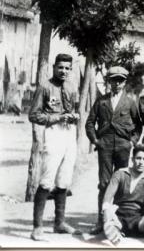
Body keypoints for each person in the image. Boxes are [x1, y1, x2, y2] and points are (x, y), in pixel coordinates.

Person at [28, 53, 82, 241]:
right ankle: (37, 227)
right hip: (53, 133)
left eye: (67, 68)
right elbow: (33, 115)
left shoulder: (72, 86)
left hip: (69, 134)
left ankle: (59, 223)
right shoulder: (45, 87)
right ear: (54, 67)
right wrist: (57, 117)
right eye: (61, 67)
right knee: (47, 179)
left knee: (64, 180)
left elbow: (74, 110)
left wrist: (74, 116)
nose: (64, 71)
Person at [86, 66, 143, 234]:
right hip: (105, 145)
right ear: (108, 82)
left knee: (121, 183)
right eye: (113, 80)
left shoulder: (130, 101)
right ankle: (101, 220)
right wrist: (95, 140)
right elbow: (90, 122)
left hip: (123, 147)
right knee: (104, 183)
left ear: (125, 83)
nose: (117, 84)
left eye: (120, 81)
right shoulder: (101, 101)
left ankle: (118, 221)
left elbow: (138, 125)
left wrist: (132, 141)